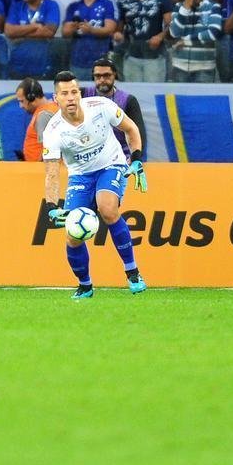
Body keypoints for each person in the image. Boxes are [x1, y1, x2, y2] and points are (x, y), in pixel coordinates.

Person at [42, 70, 147, 300]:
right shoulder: (52, 131)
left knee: (107, 207)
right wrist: (51, 207)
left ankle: (133, 272)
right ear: (55, 98)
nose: (70, 97)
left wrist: (137, 158)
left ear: (79, 93)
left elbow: (131, 129)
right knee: (72, 235)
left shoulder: (101, 106)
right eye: (64, 94)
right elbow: (51, 173)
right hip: (80, 176)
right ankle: (85, 286)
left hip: (112, 164)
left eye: (73, 92)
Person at [82, 58, 146, 159]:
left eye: (107, 75)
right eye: (98, 76)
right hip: (88, 157)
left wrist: (135, 157)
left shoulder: (128, 100)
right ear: (92, 77)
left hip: (121, 157)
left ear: (115, 75)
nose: (102, 80)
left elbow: (138, 132)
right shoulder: (81, 95)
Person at [16, 77, 60, 162]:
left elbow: (49, 149)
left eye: (22, 101)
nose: (20, 106)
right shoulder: (46, 110)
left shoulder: (44, 114)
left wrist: (39, 168)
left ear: (32, 97)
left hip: (40, 171)